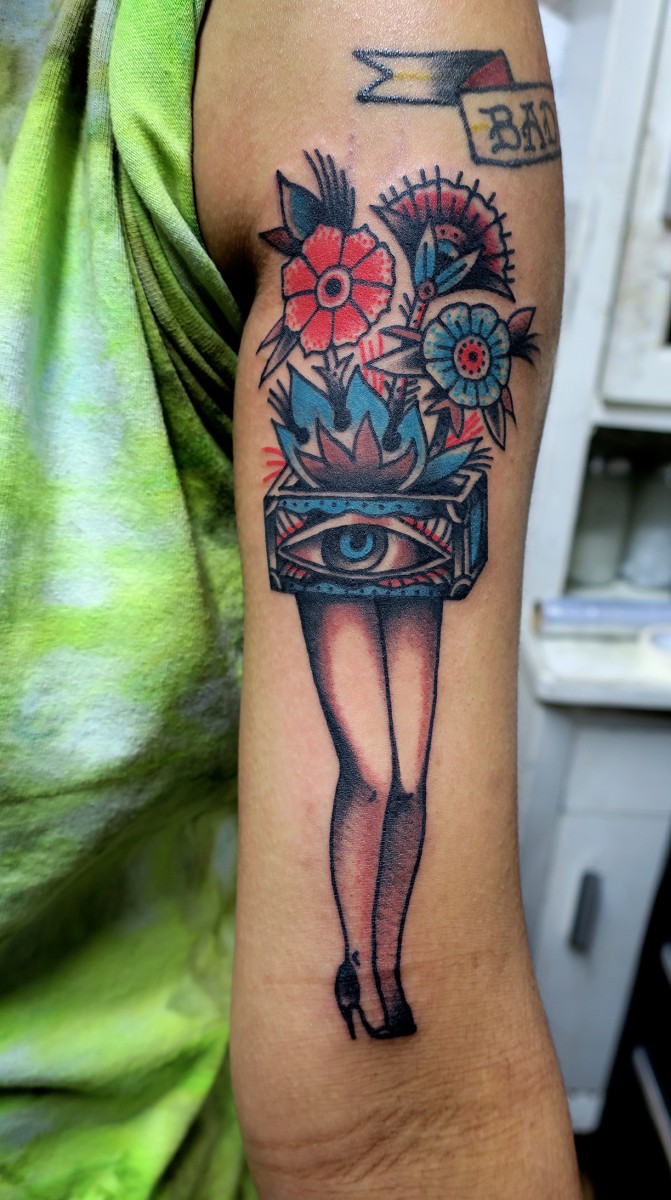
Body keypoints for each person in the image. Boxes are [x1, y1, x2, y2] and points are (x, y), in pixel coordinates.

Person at [0, 0, 580, 1195]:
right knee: (376, 763)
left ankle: (373, 972)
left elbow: (410, 1134)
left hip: (133, 1154)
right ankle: (366, 970)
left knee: (400, 772)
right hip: (342, 531)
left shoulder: (340, 30)